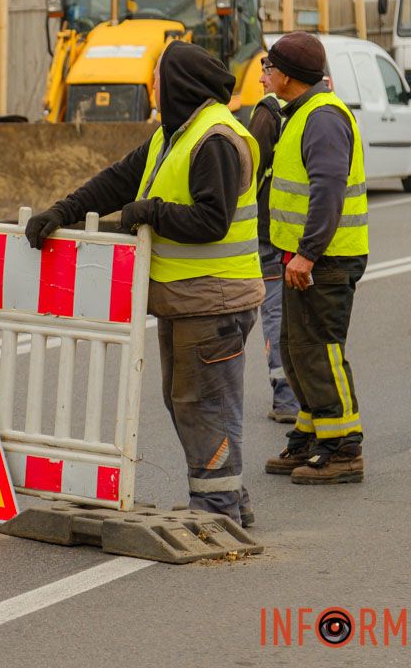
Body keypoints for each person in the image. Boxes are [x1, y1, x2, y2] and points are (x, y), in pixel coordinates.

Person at [24, 41, 263, 526]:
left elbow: (212, 220)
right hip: (187, 298)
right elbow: (117, 180)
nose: (151, 86)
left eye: (157, 78)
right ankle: (229, 501)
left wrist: (149, 212)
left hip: (213, 299)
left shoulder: (213, 138)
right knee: (191, 403)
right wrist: (62, 213)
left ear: (178, 84)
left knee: (203, 404)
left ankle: (217, 510)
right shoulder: (173, 135)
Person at [260, 32, 368, 485]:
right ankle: (311, 432)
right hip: (304, 257)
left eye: (269, 65)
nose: (264, 72)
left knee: (321, 349)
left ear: (286, 76)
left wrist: (306, 254)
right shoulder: (301, 113)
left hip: (324, 259)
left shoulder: (321, 118)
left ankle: (343, 446)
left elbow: (328, 190)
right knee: (296, 349)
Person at [247, 90, 301, 425]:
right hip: (300, 231)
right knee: (296, 316)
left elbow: (247, 171)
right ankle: (301, 396)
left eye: (268, 67)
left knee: (275, 314)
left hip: (270, 231)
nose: (262, 74)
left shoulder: (268, 112)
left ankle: (286, 398)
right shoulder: (313, 109)